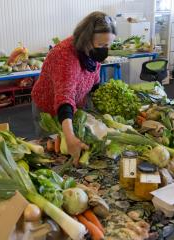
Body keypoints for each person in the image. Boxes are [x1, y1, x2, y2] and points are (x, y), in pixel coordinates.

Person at [31, 11, 116, 165]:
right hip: (49, 108)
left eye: (108, 45)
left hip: (74, 106)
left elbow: (94, 79)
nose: (105, 49)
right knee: (53, 154)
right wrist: (69, 137)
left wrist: (104, 112)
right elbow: (64, 98)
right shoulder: (65, 55)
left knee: (73, 150)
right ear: (86, 39)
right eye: (101, 45)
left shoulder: (91, 51)